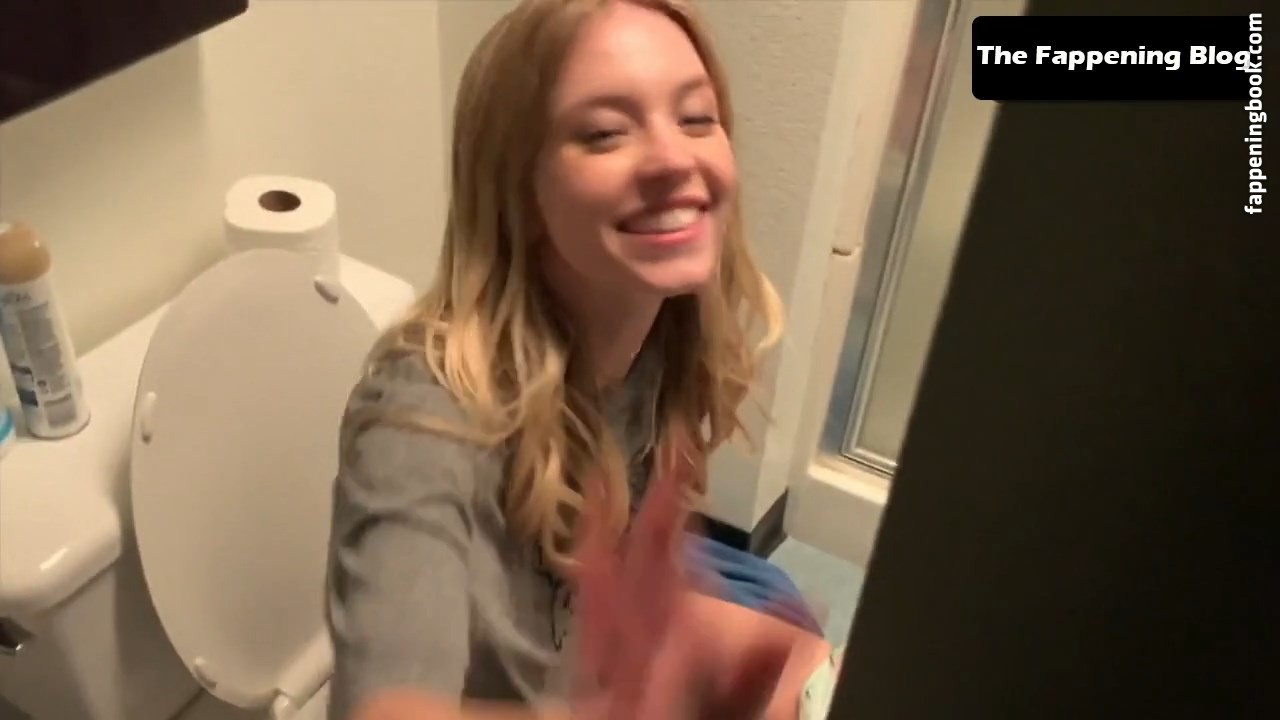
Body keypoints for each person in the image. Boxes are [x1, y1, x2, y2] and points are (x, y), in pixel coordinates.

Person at [324, 0, 840, 717]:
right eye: (604, 134)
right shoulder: (420, 423)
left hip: (579, 676)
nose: (674, 157)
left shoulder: (657, 345)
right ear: (517, 188)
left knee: (803, 647)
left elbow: (627, 608)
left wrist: (789, 667)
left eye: (696, 118)